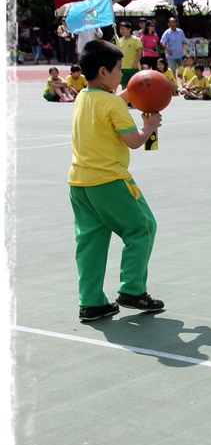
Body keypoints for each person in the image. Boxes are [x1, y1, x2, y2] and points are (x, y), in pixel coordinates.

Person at [69, 39, 164, 321]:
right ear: (103, 71)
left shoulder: (83, 96)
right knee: (142, 227)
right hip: (110, 181)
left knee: (90, 243)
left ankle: (91, 302)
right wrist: (149, 126)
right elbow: (134, 141)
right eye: (118, 70)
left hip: (79, 184)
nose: (121, 75)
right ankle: (132, 289)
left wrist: (129, 93)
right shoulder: (113, 106)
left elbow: (109, 102)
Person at [115, 21, 143, 90]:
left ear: (129, 29)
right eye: (120, 29)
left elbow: (140, 50)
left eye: (123, 29)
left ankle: (136, 100)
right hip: (123, 67)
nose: (121, 30)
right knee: (124, 85)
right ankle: (126, 100)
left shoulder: (135, 40)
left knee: (135, 85)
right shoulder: (119, 41)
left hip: (133, 67)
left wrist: (136, 61)